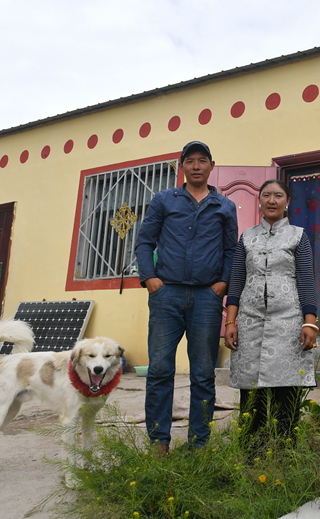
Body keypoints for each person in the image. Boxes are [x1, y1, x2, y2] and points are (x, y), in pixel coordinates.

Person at [135, 141, 238, 453]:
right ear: (182, 166)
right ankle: (159, 441)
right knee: (160, 370)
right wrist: (149, 278)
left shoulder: (225, 206)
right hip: (166, 295)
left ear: (211, 166)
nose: (196, 166)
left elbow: (231, 250)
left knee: (203, 373)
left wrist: (222, 283)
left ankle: (199, 443)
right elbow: (144, 241)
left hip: (207, 299)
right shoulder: (164, 200)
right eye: (190, 161)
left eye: (202, 160)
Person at [223, 179, 318, 446]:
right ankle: (251, 449)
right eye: (266, 195)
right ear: (259, 201)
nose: (272, 200)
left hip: (288, 320)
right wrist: (230, 322)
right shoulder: (247, 237)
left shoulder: (299, 236)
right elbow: (237, 280)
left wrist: (309, 323)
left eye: (278, 195)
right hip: (250, 320)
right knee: (250, 388)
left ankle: (285, 449)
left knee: (285, 386)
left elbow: (306, 280)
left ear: (287, 202)